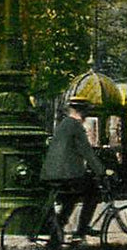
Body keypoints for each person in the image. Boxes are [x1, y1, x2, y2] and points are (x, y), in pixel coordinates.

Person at [40, 98, 114, 241]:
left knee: (70, 200)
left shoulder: (63, 124)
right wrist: (102, 171)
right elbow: (86, 152)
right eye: (86, 111)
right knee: (93, 192)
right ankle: (81, 231)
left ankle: (55, 240)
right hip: (66, 174)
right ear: (82, 112)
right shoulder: (75, 126)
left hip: (54, 173)